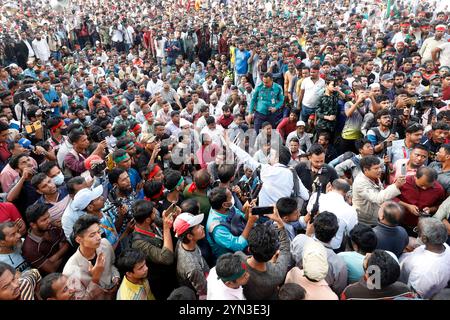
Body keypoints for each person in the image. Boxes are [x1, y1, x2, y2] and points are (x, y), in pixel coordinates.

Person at [225, 134, 309, 206]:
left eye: (271, 155)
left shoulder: (265, 169)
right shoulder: (292, 173)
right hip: (283, 215)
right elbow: (306, 196)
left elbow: (246, 158)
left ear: (276, 158)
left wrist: (230, 144)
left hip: (264, 215)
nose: (269, 157)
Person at [237, 209, 291, 300]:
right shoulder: (278, 274)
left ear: (249, 249)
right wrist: (279, 221)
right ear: (275, 253)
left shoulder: (238, 258)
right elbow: (285, 248)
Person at [63, 215, 120, 300]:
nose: (99, 237)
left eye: (99, 232)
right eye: (92, 235)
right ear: (79, 240)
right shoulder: (70, 271)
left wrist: (116, 277)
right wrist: (95, 278)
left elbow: (111, 265)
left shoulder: (105, 244)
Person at [291, 212, 348, 295]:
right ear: (335, 234)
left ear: (313, 227)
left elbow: (292, 261)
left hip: (296, 286)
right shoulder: (339, 264)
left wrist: (308, 235)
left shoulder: (299, 240)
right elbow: (338, 290)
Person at [130, 199, 177, 300]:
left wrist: (171, 216)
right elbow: (167, 258)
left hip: (170, 272)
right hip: (160, 280)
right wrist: (166, 228)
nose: (156, 211)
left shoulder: (149, 220)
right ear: (147, 219)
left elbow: (166, 222)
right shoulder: (138, 243)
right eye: (153, 211)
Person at [399, 217, 450, 299]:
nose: (417, 233)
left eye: (417, 230)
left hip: (402, 284)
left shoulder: (423, 273)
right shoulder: (446, 247)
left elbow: (412, 296)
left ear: (424, 238)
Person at [304, 179, 358, 251]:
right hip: (334, 247)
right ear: (347, 193)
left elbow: (309, 212)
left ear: (330, 186)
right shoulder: (350, 210)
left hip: (313, 240)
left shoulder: (316, 197)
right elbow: (351, 231)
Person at [206, 187, 258, 261]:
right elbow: (238, 246)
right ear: (224, 204)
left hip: (239, 233)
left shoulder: (226, 207)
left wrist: (248, 211)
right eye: (230, 197)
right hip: (229, 258)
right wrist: (250, 222)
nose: (233, 198)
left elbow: (241, 217)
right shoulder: (217, 229)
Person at [341, 250, 416, 300]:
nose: (367, 254)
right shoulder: (405, 290)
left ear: (367, 274)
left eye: (367, 260)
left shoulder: (350, 293)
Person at [352, 156, 405, 226]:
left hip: (376, 214)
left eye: (380, 167)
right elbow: (377, 198)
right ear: (365, 170)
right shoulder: (360, 183)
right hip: (365, 220)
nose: (380, 170)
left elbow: (381, 191)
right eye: (376, 168)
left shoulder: (373, 176)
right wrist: (396, 186)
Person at [21, 203, 70, 276]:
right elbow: (52, 269)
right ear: (33, 225)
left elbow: (67, 244)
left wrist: (54, 258)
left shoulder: (52, 227)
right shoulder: (29, 248)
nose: (49, 220)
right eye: (44, 220)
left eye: (48, 217)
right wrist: (63, 251)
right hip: (56, 277)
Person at [396, 167, 446, 235]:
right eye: (422, 185)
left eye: (429, 186)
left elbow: (441, 206)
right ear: (415, 177)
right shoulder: (403, 182)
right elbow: (392, 198)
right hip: (399, 222)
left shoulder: (439, 189)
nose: (424, 188)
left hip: (421, 227)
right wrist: (407, 206)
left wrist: (430, 209)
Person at [173, 212, 209, 299]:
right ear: (189, 236)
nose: (202, 227)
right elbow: (204, 290)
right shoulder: (193, 268)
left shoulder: (181, 241)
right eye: (198, 227)